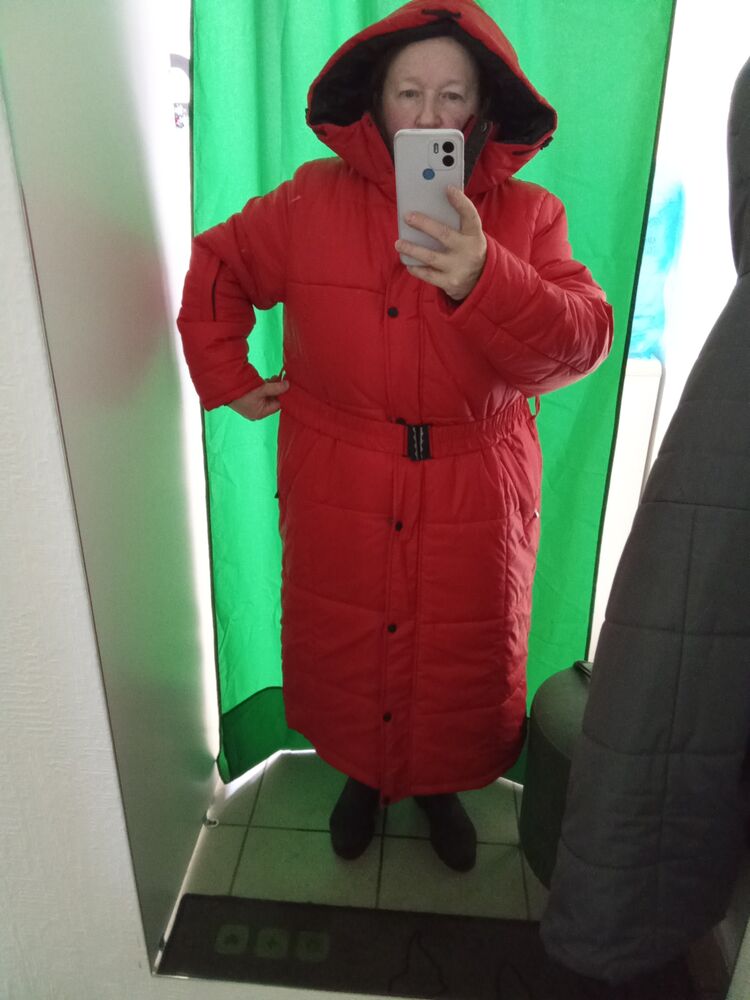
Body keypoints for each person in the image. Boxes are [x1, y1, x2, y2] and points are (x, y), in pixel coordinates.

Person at [177, 0, 613, 873]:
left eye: (452, 95)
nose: (428, 116)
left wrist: (486, 276)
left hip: (475, 483)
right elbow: (221, 265)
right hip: (341, 472)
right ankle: (363, 779)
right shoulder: (310, 199)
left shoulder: (530, 214)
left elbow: (581, 342)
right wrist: (229, 378)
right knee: (350, 644)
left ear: (483, 107)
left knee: (455, 657)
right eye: (408, 92)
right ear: (375, 102)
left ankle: (438, 786)